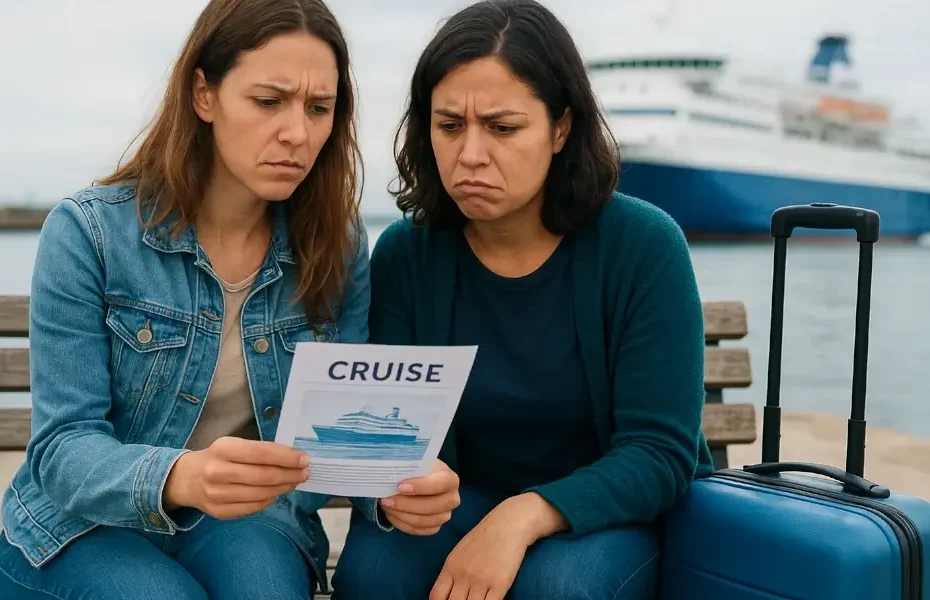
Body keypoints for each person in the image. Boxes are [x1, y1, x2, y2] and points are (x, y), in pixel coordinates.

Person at [0, 0, 459, 598]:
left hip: (252, 520)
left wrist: (401, 489)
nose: (297, 132)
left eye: (318, 108)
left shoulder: (336, 241)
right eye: (269, 101)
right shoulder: (88, 234)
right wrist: (183, 476)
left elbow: (342, 444)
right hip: (79, 525)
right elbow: (63, 451)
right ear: (204, 95)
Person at [331, 1, 715, 599]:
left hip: (607, 513)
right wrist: (395, 490)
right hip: (462, 501)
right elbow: (390, 436)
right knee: (373, 571)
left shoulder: (644, 245)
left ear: (561, 128)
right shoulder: (408, 253)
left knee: (555, 588)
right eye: (449, 125)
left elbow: (659, 454)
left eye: (503, 128)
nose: (472, 154)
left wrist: (522, 517)